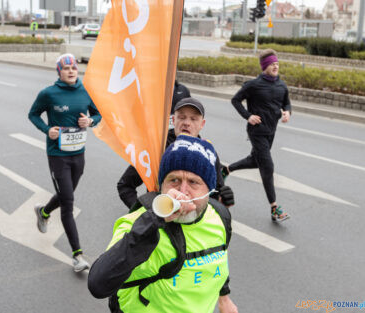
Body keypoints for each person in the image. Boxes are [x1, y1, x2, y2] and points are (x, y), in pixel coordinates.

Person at [88, 135, 238, 313]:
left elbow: (217, 256)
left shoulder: (220, 215)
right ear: (162, 186)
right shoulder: (139, 222)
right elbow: (98, 285)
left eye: (193, 182)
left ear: (209, 189)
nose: (183, 192)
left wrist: (224, 298)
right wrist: (154, 220)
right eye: (174, 180)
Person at [29, 53, 102, 272]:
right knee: (68, 202)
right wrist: (47, 130)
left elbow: (98, 115)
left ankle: (43, 211)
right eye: (66, 68)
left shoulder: (86, 91)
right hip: (57, 156)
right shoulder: (49, 93)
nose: (71, 71)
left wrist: (89, 121)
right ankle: (77, 255)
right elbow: (33, 115)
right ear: (59, 72)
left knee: (64, 195)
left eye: (74, 68)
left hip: (78, 154)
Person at [117, 97, 234, 210]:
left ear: (202, 124)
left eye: (193, 119)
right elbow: (125, 185)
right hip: (160, 221)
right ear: (173, 120)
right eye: (182, 117)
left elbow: (215, 194)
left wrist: (223, 200)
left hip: (192, 225)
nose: (187, 123)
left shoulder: (208, 153)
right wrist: (143, 212)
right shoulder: (156, 147)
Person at [222, 49, 291, 222]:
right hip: (257, 132)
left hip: (271, 132)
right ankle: (274, 207)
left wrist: (287, 113)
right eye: (271, 64)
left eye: (277, 63)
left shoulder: (282, 86)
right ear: (265, 66)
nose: (275, 66)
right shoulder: (253, 85)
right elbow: (235, 100)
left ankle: (227, 169)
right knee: (267, 166)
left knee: (256, 160)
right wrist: (248, 116)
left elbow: (287, 103)